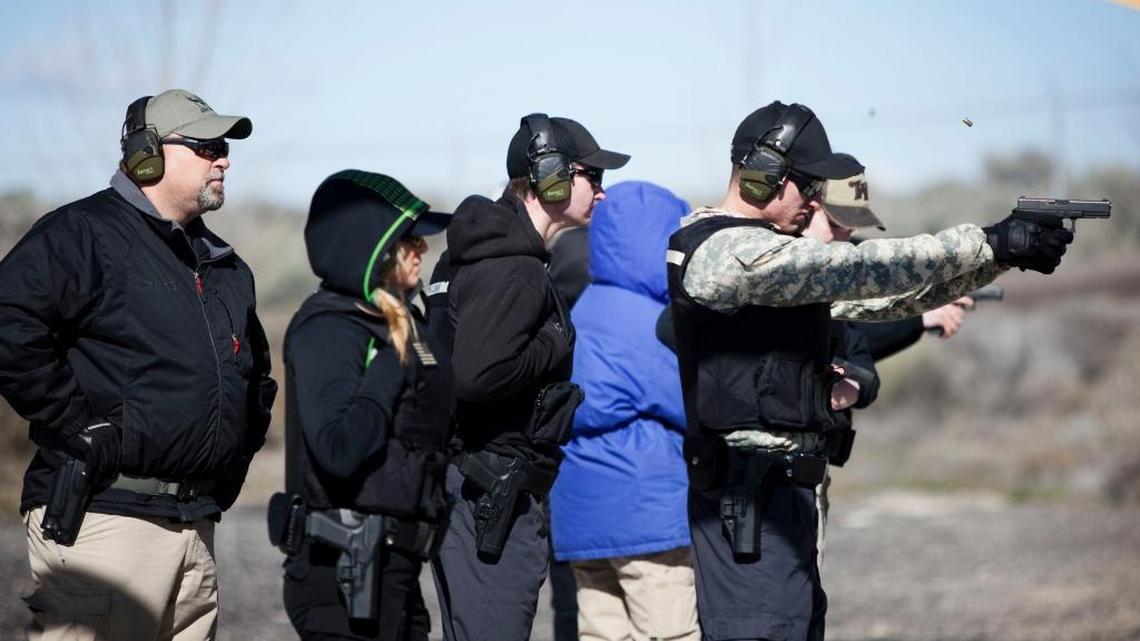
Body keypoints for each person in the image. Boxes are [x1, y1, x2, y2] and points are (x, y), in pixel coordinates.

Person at [666, 100, 1073, 641]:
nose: (814, 203)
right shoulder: (722, 250)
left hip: (779, 501)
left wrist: (1000, 258)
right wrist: (986, 239)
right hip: (750, 506)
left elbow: (885, 301)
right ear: (765, 173)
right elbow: (857, 268)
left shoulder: (768, 259)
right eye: (808, 186)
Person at [0, 89, 276, 641]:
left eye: (224, 146)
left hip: (195, 529)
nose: (223, 158)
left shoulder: (227, 267)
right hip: (105, 525)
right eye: (207, 145)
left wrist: (223, 474)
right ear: (146, 152)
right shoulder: (81, 233)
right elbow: (9, 324)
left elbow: (255, 383)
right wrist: (77, 426)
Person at [428, 113, 629, 641]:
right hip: (492, 489)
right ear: (552, 178)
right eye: (594, 178)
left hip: (478, 484)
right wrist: (554, 341)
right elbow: (478, 375)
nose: (602, 194)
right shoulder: (513, 268)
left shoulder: (491, 256)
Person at [277, 171, 454, 641]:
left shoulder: (400, 323)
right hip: (343, 571)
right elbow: (338, 447)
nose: (423, 249)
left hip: (396, 566)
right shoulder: (329, 328)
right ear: (371, 249)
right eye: (409, 240)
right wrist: (392, 366)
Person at [549, 181, 700, 641]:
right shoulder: (648, 323)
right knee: (669, 630)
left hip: (579, 512)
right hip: (645, 515)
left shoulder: (586, 307)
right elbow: (690, 403)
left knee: (601, 631)